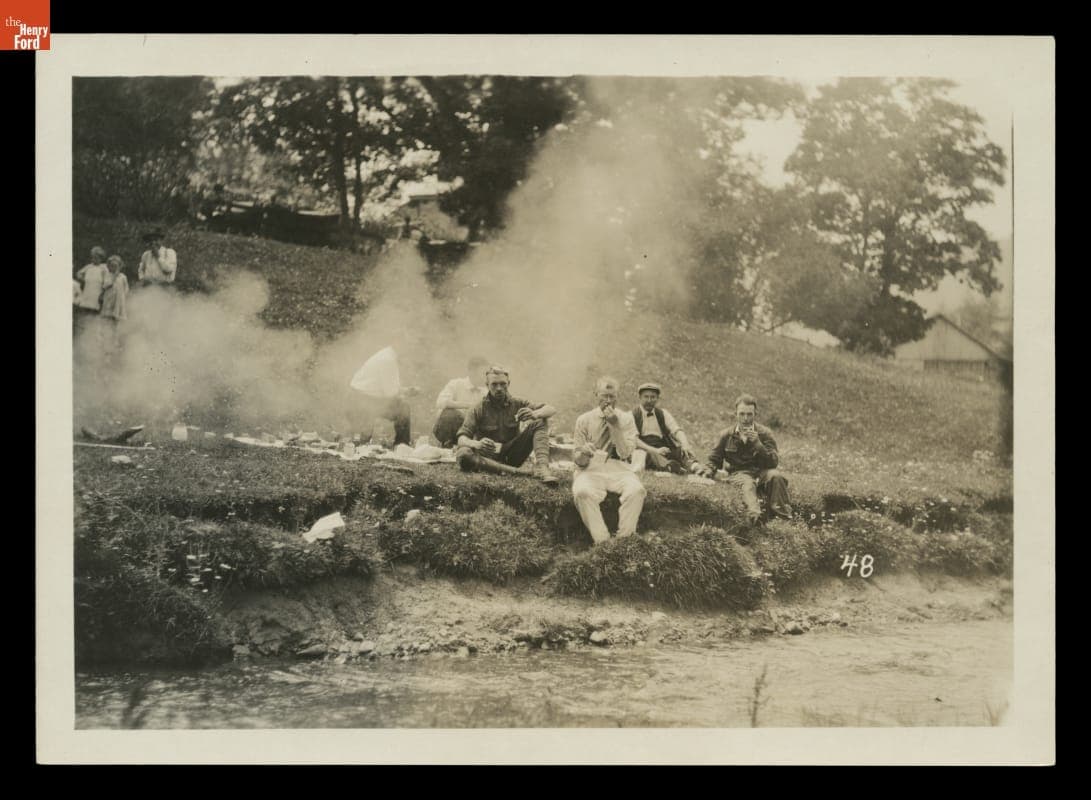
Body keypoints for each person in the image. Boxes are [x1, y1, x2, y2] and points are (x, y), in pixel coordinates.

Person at [695, 393, 792, 524]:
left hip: (761, 471)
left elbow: (774, 462)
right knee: (747, 484)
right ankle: (755, 517)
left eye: (749, 414)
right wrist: (709, 470)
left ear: (755, 414)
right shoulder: (726, 435)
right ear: (735, 414)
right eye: (742, 414)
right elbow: (714, 459)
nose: (745, 418)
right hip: (739, 473)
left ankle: (783, 519)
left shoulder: (764, 433)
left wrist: (758, 444)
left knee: (777, 477)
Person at [571, 377, 647, 544]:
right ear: (596, 394)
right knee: (582, 493)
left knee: (637, 491)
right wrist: (584, 453)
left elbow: (625, 453)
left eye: (612, 396)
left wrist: (615, 425)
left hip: (620, 469)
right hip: (591, 470)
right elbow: (579, 462)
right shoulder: (584, 420)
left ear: (617, 396)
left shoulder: (626, 419)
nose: (608, 401)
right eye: (604, 396)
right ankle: (603, 542)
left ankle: (623, 540)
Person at [455, 366, 559, 485]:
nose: (499, 388)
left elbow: (551, 409)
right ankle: (519, 473)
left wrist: (535, 413)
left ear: (508, 384)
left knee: (540, 421)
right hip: (488, 459)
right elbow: (461, 439)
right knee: (463, 453)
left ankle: (543, 469)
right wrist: (477, 444)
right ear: (487, 385)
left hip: (513, 455)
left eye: (502, 384)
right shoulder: (478, 408)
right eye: (494, 384)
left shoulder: (517, 402)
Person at [349, 346, 415, 447]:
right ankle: (402, 445)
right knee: (403, 408)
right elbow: (390, 393)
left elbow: (387, 386)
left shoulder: (387, 355)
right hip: (363, 398)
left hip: (366, 396)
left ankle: (401, 445)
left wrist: (405, 390)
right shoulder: (388, 361)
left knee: (401, 406)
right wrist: (405, 394)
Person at [631, 382, 698, 474]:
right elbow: (634, 440)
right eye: (646, 397)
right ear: (640, 398)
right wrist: (655, 450)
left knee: (681, 450)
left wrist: (685, 444)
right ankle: (671, 467)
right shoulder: (632, 415)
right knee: (646, 455)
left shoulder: (663, 413)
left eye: (653, 397)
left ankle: (695, 467)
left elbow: (676, 430)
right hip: (646, 448)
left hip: (663, 447)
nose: (649, 400)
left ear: (657, 398)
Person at [432, 356, 490, 447]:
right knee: (450, 413)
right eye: (483, 373)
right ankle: (448, 445)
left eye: (487, 373)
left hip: (470, 431)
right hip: (452, 428)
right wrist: (467, 405)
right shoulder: (456, 384)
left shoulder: (486, 392)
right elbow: (440, 402)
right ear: (472, 372)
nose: (486, 377)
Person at [74, 246, 112, 334]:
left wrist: (102, 292)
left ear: (101, 258)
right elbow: (79, 274)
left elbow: (108, 282)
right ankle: (84, 332)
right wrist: (83, 280)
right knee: (85, 314)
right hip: (87, 292)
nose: (94, 259)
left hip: (97, 294)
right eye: (93, 257)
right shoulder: (89, 267)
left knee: (95, 315)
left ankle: (94, 333)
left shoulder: (104, 268)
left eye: (96, 257)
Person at [99, 255, 130, 348]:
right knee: (107, 321)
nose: (114, 268)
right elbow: (106, 285)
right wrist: (114, 276)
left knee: (116, 322)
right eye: (111, 266)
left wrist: (122, 298)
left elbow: (126, 289)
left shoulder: (123, 277)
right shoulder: (107, 275)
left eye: (116, 266)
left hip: (118, 302)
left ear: (119, 266)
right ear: (108, 266)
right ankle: (105, 341)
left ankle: (115, 341)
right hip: (109, 300)